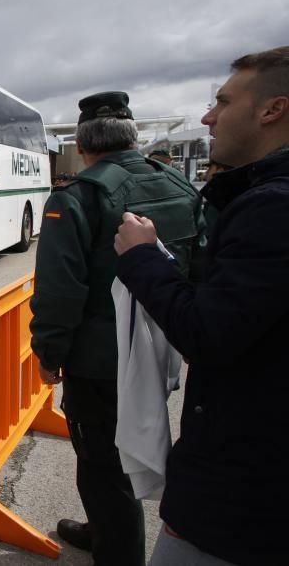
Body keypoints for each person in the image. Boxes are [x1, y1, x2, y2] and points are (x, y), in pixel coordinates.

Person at [114, 46, 289, 565]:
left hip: (245, 501)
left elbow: (209, 334)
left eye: (223, 102)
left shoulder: (271, 206)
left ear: (271, 110)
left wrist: (143, 258)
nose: (210, 117)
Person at [30, 91, 202, 565]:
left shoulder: (79, 197)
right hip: (163, 346)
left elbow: (59, 292)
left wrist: (48, 355)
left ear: (83, 147)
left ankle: (118, 551)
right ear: (133, 136)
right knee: (130, 446)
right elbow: (204, 263)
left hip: (101, 361)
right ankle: (102, 529)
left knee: (103, 464)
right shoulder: (180, 185)